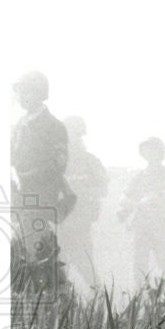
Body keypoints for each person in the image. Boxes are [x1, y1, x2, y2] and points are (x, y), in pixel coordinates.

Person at [10, 71, 76, 286]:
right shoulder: (19, 125)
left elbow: (57, 166)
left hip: (38, 201)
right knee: (20, 257)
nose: (20, 96)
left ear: (38, 92)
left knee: (38, 259)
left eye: (24, 91)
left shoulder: (53, 126)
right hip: (18, 200)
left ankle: (58, 304)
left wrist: (24, 178)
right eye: (19, 91)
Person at [118, 137, 165, 284]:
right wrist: (138, 205)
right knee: (139, 265)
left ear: (160, 152)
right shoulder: (139, 177)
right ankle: (141, 297)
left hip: (162, 225)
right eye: (147, 149)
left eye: (153, 149)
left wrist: (154, 200)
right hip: (141, 226)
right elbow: (123, 199)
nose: (150, 153)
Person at [58, 116, 108, 287]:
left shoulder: (90, 161)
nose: (71, 138)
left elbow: (103, 188)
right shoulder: (56, 162)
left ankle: (99, 303)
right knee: (59, 267)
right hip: (58, 222)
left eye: (74, 134)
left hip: (81, 222)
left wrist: (83, 193)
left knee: (86, 265)